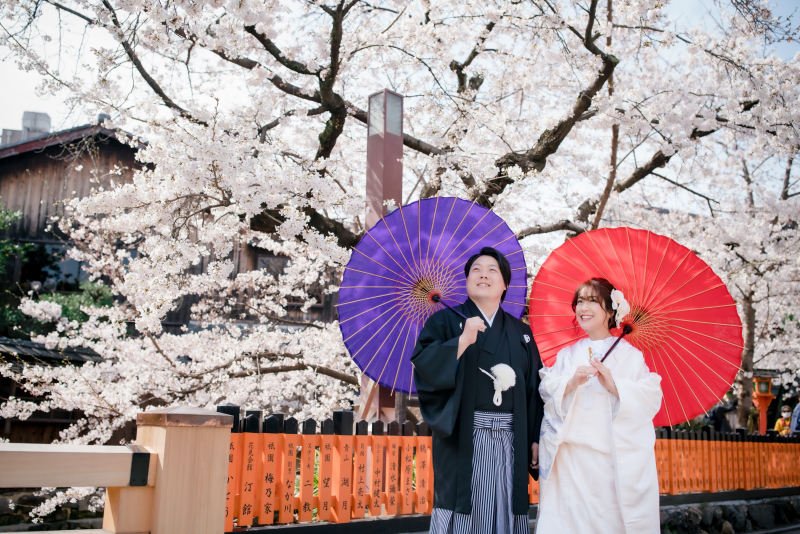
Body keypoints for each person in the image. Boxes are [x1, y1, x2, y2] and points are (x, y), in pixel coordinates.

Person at [411, 247, 544, 534]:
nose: (484, 274)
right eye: (476, 270)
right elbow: (424, 367)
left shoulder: (521, 332)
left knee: (507, 503)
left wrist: (535, 437)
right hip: (464, 435)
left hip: (512, 437)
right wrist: (461, 341)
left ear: (505, 284)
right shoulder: (444, 322)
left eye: (492, 270)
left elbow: (534, 387)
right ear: (467, 280)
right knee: (465, 504)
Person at [536, 278, 663, 534]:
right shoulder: (568, 355)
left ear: (611, 310)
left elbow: (650, 397)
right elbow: (546, 391)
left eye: (593, 301)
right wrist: (570, 382)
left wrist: (614, 385)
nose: (584, 307)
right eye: (580, 301)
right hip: (570, 463)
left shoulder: (630, 356)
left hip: (609, 464)